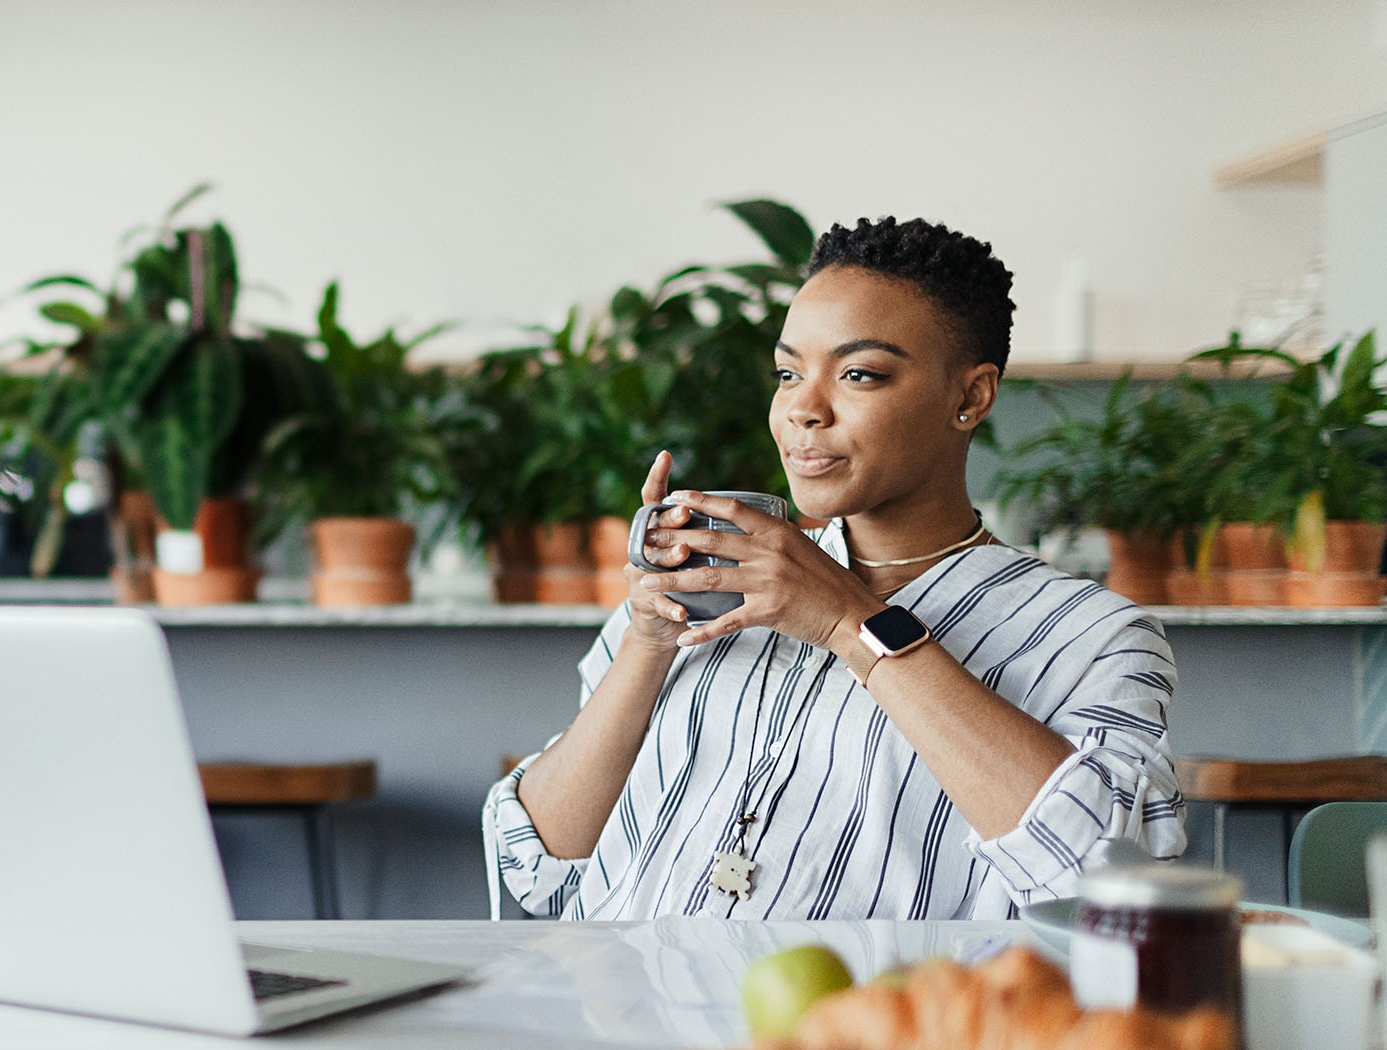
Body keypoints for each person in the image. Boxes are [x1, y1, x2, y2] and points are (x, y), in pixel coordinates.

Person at [483, 216, 1185, 921]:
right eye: (788, 374)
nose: (802, 410)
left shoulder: (1094, 638)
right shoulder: (710, 589)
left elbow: (1107, 888)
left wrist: (853, 622)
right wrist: (646, 639)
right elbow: (538, 871)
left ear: (970, 397)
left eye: (859, 374)